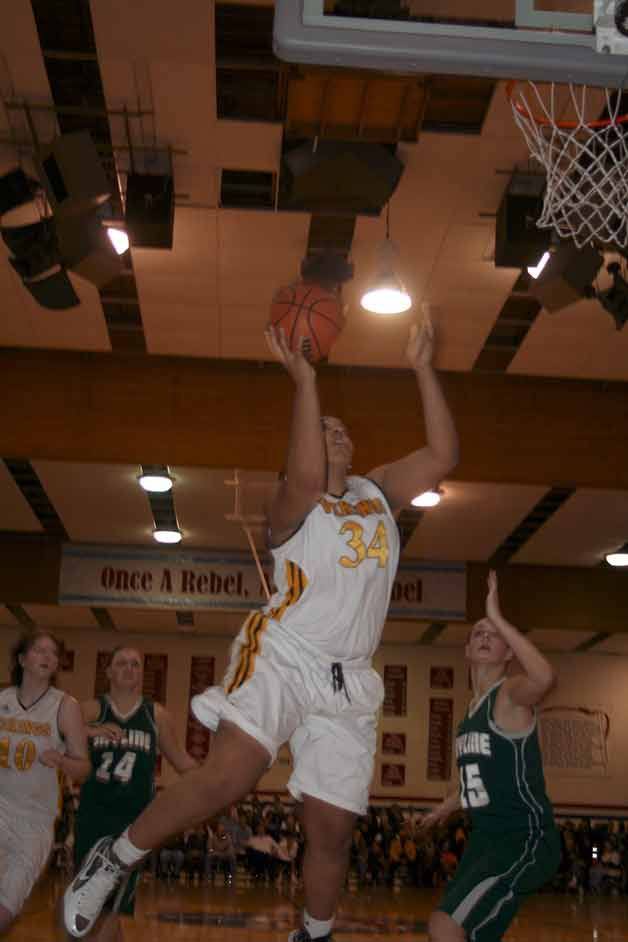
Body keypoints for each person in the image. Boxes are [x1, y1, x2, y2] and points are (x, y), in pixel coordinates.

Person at [63, 317, 458, 940]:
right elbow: (302, 472)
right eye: (323, 428)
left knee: (332, 830)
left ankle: (314, 933)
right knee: (230, 776)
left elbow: (442, 455)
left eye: (341, 429)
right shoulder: (290, 505)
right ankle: (113, 859)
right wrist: (305, 380)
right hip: (285, 652)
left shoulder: (377, 492)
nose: (336, 432)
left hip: (349, 677)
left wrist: (422, 367)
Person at [421, 571, 560, 942]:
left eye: (493, 635)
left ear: (509, 652)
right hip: (486, 838)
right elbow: (481, 777)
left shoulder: (510, 694)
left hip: (524, 837)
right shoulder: (470, 712)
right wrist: (448, 805)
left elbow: (545, 678)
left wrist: (497, 616)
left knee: (444, 926)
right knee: (469, 933)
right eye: (478, 633)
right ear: (467, 651)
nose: (485, 637)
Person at [74, 646, 197, 942]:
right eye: (121, 663)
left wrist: (220, 782)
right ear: (108, 672)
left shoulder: (156, 715)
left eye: (135, 664)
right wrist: (90, 732)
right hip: (92, 817)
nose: (129, 669)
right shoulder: (90, 711)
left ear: (143, 673)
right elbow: (56, 738)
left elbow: (182, 763)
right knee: (89, 906)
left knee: (112, 905)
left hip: (133, 826)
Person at [0, 631, 89, 934]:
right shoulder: (2, 700)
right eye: (39, 650)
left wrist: (63, 760)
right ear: (22, 659)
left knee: (6, 912)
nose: (48, 656)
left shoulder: (66, 706)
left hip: (36, 820)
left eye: (53, 653)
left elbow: (84, 768)